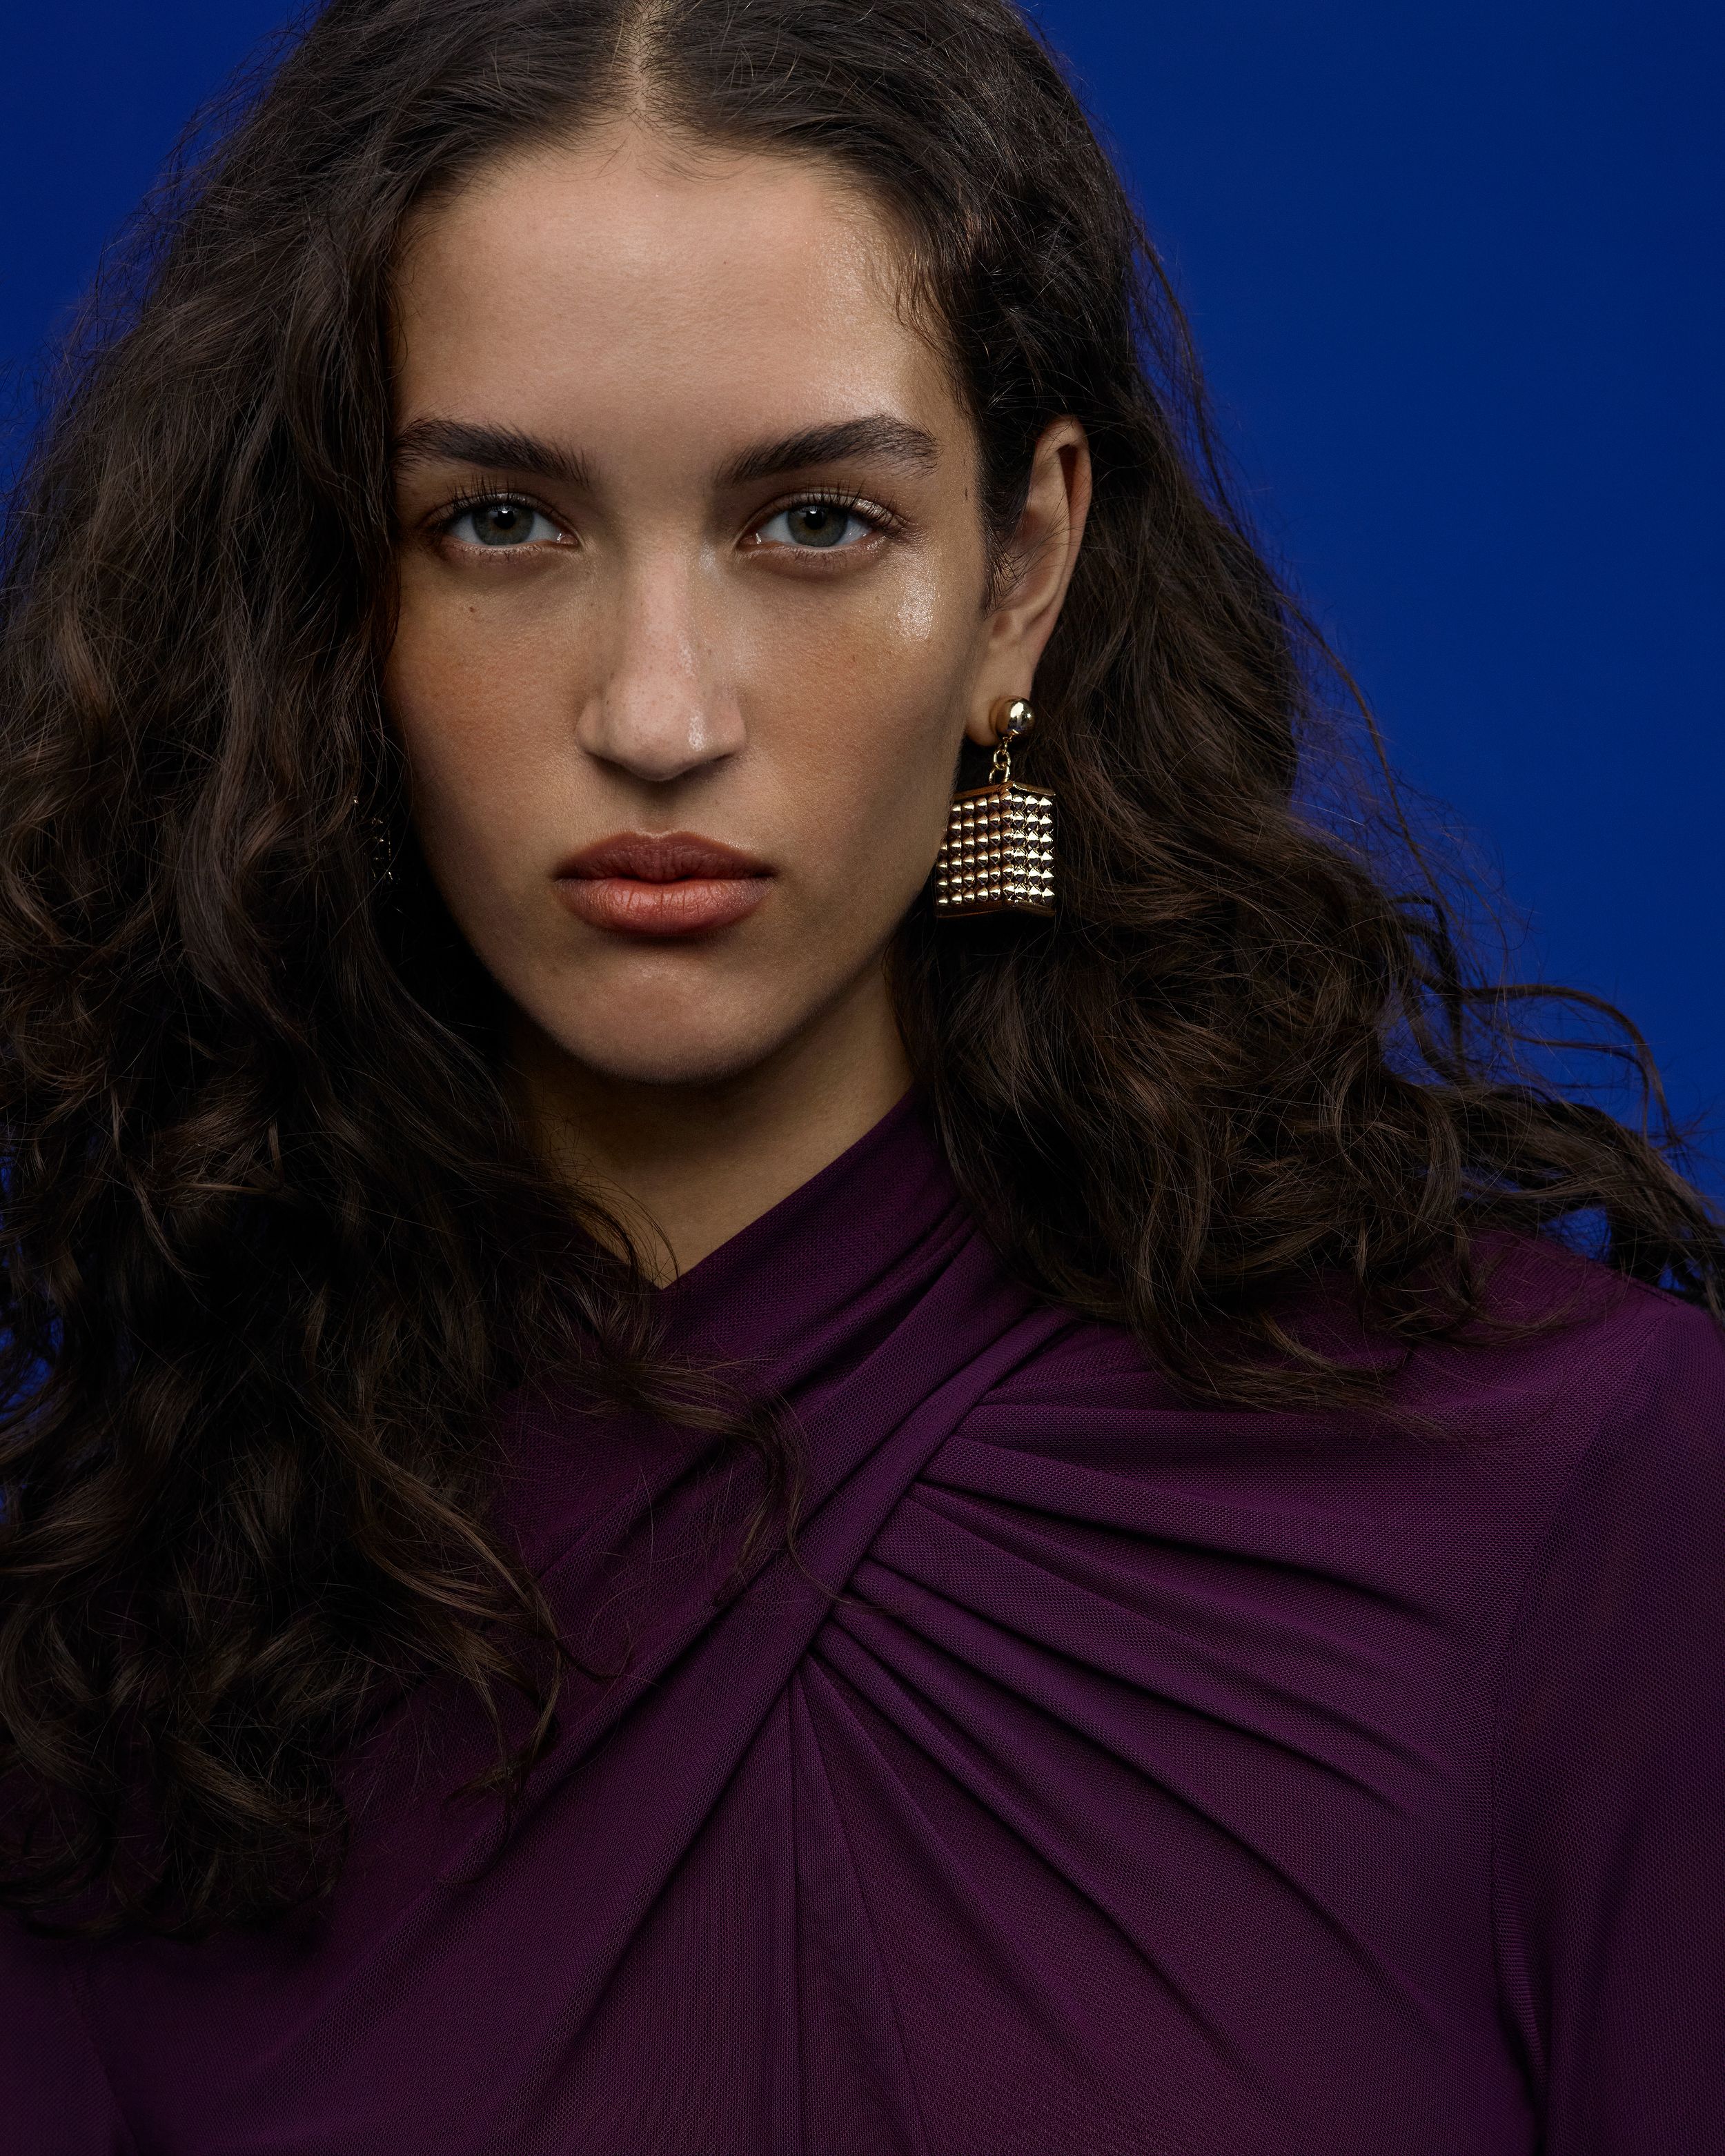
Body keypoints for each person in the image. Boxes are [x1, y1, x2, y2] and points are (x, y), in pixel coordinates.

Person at [1, 0, 1720, 2148]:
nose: (657, 715)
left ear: (1020, 574)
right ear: (337, 594)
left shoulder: (1585, 1505)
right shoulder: (113, 1660)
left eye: (811, 523)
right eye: (500, 524)